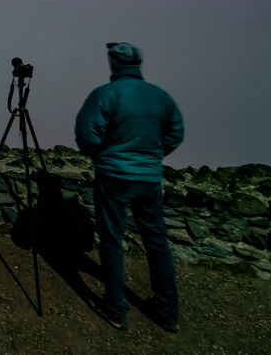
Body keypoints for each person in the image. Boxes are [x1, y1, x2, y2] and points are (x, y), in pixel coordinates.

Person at [74, 42, 184, 333]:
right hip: (149, 178)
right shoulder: (161, 97)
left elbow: (86, 134)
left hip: (114, 176)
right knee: (157, 242)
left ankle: (116, 307)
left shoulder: (105, 95)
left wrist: (105, 154)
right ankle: (167, 310)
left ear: (114, 64)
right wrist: (152, 156)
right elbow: (175, 132)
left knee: (112, 240)